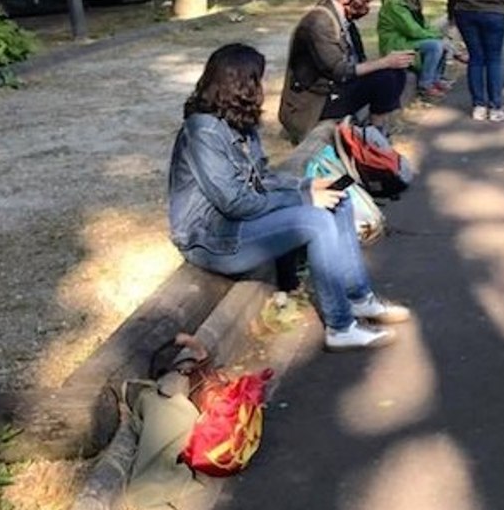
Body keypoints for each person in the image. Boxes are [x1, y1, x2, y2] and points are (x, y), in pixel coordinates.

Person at [170, 44, 411, 351]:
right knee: (317, 221)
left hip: (239, 223)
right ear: (240, 84)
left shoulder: (237, 121)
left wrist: (307, 186)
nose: (261, 88)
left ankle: (359, 297)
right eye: (257, 79)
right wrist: (303, 201)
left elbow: (262, 177)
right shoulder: (203, 132)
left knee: (337, 198)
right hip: (211, 239)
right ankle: (340, 327)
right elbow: (235, 203)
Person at [278, 0, 414, 143]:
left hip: (334, 90)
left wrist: (389, 63)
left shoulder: (344, 19)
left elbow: (358, 61)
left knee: (394, 72)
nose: (366, 8)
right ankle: (375, 137)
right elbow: (340, 71)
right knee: (385, 76)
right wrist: (384, 62)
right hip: (315, 103)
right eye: (363, 2)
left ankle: (377, 130)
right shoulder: (319, 22)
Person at [379, 0, 451, 101]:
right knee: (435, 45)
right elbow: (412, 30)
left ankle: (436, 79)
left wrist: (440, 35)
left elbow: (423, 25)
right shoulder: (394, 3)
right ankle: (425, 85)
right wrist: (437, 36)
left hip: (406, 40)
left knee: (442, 43)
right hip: (395, 43)